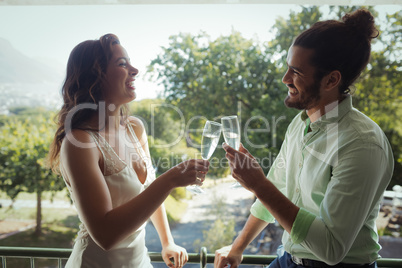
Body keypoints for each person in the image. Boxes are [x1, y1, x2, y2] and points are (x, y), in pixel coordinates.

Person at [214, 9, 394, 268]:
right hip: (287, 259)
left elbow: (331, 249)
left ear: (331, 79)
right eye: (287, 67)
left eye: (296, 72)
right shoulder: (299, 125)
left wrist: (258, 184)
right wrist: (237, 247)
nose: (285, 78)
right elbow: (275, 191)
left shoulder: (362, 144)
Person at [48, 33, 209, 268]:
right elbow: (106, 236)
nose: (135, 70)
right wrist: (171, 179)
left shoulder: (135, 128)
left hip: (139, 261)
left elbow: (148, 191)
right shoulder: (79, 143)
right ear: (95, 76)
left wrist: (167, 241)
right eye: (122, 64)